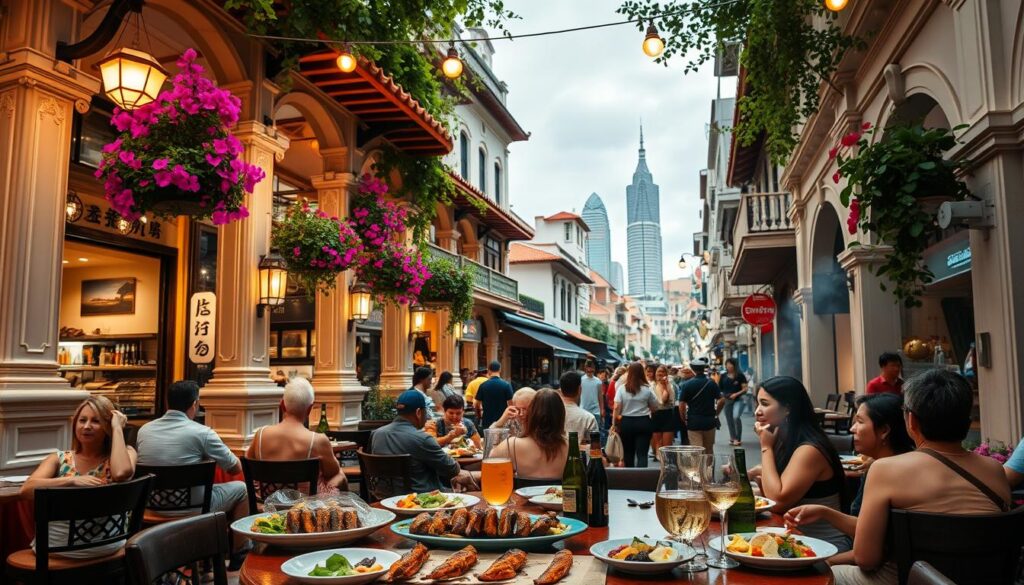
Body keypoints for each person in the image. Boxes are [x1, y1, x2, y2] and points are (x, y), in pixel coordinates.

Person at [830, 370, 1011, 585]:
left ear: (911, 420)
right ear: (967, 422)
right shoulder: (995, 469)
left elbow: (865, 559)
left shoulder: (885, 469)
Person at [783, 393, 915, 565]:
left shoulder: (885, 470)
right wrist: (824, 512)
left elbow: (869, 555)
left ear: (884, 431)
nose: (852, 428)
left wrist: (819, 563)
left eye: (860, 421)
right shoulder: (897, 462)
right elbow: (870, 531)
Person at [137, 380, 250, 561]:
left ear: (168, 403)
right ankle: (240, 553)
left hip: (152, 508)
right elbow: (235, 467)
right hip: (194, 508)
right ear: (194, 404)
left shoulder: (144, 431)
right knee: (241, 489)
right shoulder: (203, 433)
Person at [21, 396, 136, 558]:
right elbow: (26, 490)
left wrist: (117, 428)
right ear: (75, 424)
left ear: (107, 426)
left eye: (96, 421)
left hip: (64, 548)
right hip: (106, 546)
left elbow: (121, 473)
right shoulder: (57, 458)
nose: (87, 426)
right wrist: (71, 480)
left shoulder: (126, 454)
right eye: (82, 420)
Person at [750, 376, 850, 552]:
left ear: (787, 408)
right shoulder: (784, 439)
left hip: (824, 546)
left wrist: (766, 448)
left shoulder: (809, 449)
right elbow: (770, 490)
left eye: (765, 404)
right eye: (757, 404)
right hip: (797, 540)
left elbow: (777, 501)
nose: (757, 411)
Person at [245, 377, 347, 494]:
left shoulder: (260, 435)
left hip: (268, 503)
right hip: (304, 507)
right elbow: (332, 472)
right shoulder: (318, 440)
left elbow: (249, 466)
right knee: (340, 475)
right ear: (309, 409)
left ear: (282, 405)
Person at [369, 390, 473, 493]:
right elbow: (453, 469)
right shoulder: (422, 439)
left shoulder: (376, 434)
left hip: (384, 498)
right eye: (426, 411)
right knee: (468, 486)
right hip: (422, 500)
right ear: (418, 412)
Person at [488, 389, 569, 480]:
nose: (522, 414)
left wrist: (499, 423)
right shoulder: (570, 447)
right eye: (518, 409)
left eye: (526, 409)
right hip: (557, 493)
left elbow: (488, 459)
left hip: (521, 493)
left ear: (533, 413)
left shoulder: (512, 444)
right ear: (562, 416)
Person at [612, 362, 660, 467]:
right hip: (643, 422)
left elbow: (616, 408)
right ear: (642, 373)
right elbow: (654, 407)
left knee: (628, 454)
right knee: (642, 454)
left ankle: (630, 478)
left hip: (626, 423)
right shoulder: (647, 389)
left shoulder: (622, 388)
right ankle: (641, 480)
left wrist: (614, 424)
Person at [678, 358, 724, 452]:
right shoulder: (711, 383)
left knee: (696, 451)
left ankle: (698, 467)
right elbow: (722, 400)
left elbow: (681, 404)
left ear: (692, 369)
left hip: (693, 421)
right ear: (704, 368)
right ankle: (709, 467)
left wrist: (684, 418)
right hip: (709, 421)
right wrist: (716, 413)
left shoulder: (687, 385)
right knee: (709, 450)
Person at [558, 371, 598, 445]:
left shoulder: (552, 413)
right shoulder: (588, 418)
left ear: (561, 390)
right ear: (580, 389)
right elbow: (594, 447)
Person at [473, 361, 514, 429]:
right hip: (502, 421)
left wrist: (479, 415)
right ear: (500, 369)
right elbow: (511, 404)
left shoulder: (483, 386)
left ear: (488, 370)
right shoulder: (506, 385)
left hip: (487, 421)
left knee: (487, 439)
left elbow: (476, 403)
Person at [650, 365, 678, 461]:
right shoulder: (652, 385)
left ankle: (665, 462)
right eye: (658, 372)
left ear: (666, 374)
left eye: (663, 372)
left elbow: (664, 400)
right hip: (656, 414)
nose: (660, 374)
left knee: (667, 445)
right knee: (658, 443)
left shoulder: (671, 385)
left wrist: (665, 386)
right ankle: (659, 458)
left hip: (668, 414)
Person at [720, 358, 749, 446]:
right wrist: (722, 396)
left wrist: (736, 394)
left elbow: (745, 389)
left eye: (730, 364)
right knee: (729, 420)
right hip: (727, 400)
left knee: (736, 417)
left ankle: (737, 438)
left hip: (738, 399)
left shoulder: (740, 375)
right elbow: (720, 389)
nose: (728, 366)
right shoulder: (723, 376)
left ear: (734, 365)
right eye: (727, 364)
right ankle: (733, 438)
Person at [579, 362, 605, 440]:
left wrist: (602, 409)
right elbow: (578, 394)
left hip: (595, 411)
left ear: (594, 370)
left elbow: (600, 396)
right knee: (584, 434)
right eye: (588, 371)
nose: (590, 372)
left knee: (595, 434)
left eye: (591, 371)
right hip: (583, 410)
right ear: (585, 369)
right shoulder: (581, 380)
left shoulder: (598, 381)